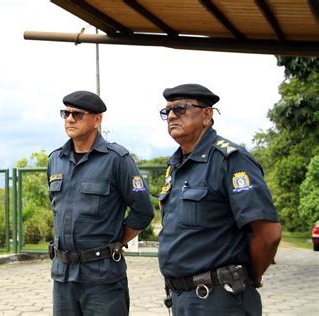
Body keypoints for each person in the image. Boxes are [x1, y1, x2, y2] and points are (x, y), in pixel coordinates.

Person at [157, 83, 282, 315]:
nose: (172, 115)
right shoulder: (176, 165)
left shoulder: (231, 161)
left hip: (220, 299)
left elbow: (268, 234)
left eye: (181, 109)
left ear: (206, 115)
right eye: (167, 111)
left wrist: (248, 275)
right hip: (182, 299)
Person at [47, 90, 154, 316]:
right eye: (65, 113)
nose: (69, 119)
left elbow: (143, 211)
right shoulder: (56, 160)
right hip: (63, 276)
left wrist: (115, 240)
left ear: (97, 119)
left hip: (102, 277)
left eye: (77, 114)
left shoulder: (117, 160)